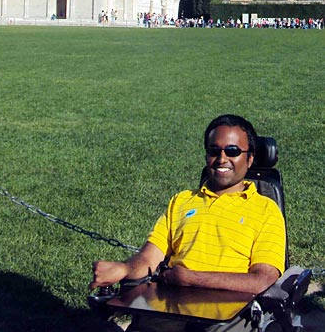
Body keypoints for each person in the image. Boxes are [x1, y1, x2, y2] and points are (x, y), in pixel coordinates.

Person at [91, 115, 286, 299]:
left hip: (230, 313)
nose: (222, 159)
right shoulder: (182, 201)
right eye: (214, 151)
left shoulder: (266, 210)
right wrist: (124, 269)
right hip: (171, 305)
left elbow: (262, 280)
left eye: (232, 151)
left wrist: (190, 279)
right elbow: (148, 259)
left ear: (250, 158)